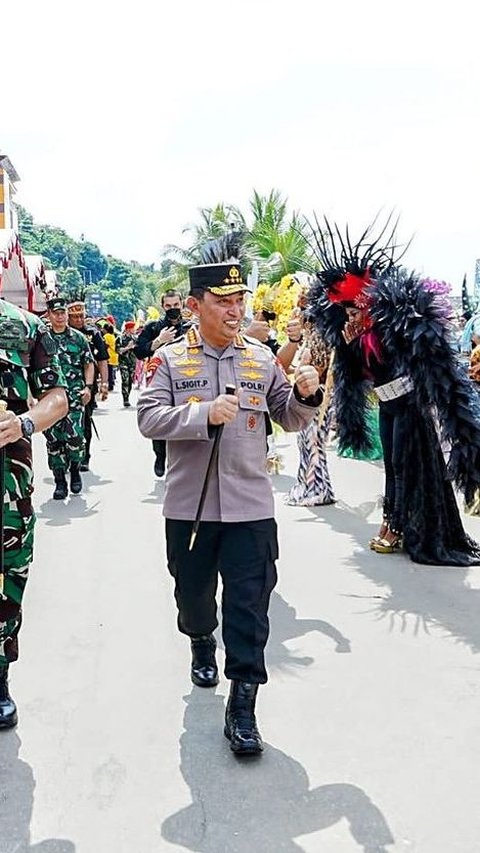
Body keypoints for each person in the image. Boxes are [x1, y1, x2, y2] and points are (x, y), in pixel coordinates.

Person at [137, 237, 322, 755]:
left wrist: (308, 392)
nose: (235, 309)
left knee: (250, 606)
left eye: (239, 299)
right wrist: (201, 415)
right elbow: (148, 418)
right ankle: (199, 639)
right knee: (193, 598)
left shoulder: (262, 359)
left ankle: (242, 706)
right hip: (189, 507)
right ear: (195, 306)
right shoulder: (170, 362)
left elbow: (288, 415)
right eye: (223, 301)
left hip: (250, 506)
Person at [308, 217, 480, 566]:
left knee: (405, 465)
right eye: (345, 311)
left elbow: (424, 362)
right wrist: (348, 346)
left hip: (410, 405)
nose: (349, 315)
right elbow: (354, 377)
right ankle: (396, 521)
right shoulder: (352, 334)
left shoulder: (393, 326)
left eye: (353, 309)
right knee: (391, 464)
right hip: (387, 405)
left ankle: (403, 526)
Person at [0, 297, 68, 728]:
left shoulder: (23, 327)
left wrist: (24, 423)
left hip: (8, 487)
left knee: (8, 580)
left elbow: (57, 396)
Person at [134, 290, 192, 477]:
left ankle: (183, 461)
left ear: (182, 305)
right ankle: (160, 455)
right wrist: (159, 341)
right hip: (160, 380)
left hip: (187, 379)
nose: (173, 309)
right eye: (168, 306)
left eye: (176, 305)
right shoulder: (153, 327)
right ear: (163, 307)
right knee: (160, 418)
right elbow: (139, 352)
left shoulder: (191, 328)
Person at [43, 296, 95, 499]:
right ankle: (59, 481)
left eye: (62, 312)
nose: (60, 316)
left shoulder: (78, 338)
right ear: (49, 315)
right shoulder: (42, 338)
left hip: (74, 396)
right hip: (48, 398)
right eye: (56, 313)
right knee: (53, 440)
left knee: (75, 437)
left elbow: (88, 362)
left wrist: (89, 387)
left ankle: (74, 470)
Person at [67, 301, 109, 471]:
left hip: (86, 385)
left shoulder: (93, 334)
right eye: (74, 317)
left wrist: (104, 383)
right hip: (64, 385)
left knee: (85, 420)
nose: (78, 320)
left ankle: (85, 455)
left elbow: (102, 360)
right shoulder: (60, 333)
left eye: (81, 316)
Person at [117, 321, 137, 407]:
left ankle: (127, 395)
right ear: (128, 329)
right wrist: (128, 347)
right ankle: (125, 399)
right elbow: (118, 351)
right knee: (125, 380)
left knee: (130, 382)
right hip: (123, 362)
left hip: (132, 363)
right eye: (133, 328)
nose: (134, 330)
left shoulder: (135, 339)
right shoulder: (120, 339)